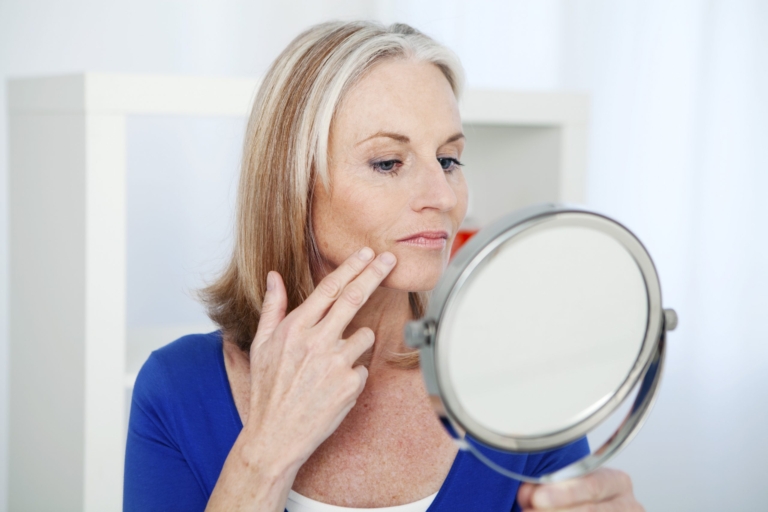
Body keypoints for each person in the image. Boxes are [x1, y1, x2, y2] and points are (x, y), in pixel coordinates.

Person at [124, 21, 643, 512]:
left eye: (449, 159)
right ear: (293, 187)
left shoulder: (517, 382)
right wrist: (265, 454)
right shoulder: (177, 388)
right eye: (388, 163)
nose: (441, 195)